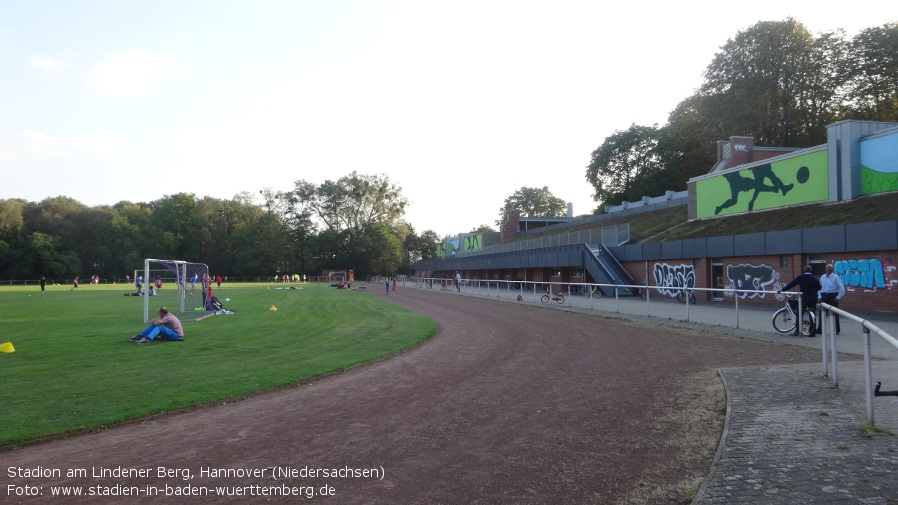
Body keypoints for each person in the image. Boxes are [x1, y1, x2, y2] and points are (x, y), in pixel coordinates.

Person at [778, 266, 822, 337]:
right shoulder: (815, 278)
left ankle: (798, 331)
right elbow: (820, 288)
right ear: (811, 271)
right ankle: (812, 332)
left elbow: (791, 284)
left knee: (800, 313)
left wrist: (782, 290)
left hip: (805, 297)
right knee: (813, 313)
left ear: (804, 270)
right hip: (814, 297)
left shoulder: (801, 277)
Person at [817, 263, 846, 335]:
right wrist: (819, 297)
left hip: (833, 297)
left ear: (832, 269)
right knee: (822, 314)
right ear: (825, 269)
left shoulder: (835, 277)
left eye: (830, 268)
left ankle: (836, 330)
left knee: (835, 314)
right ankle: (820, 329)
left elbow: (841, 288)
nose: (828, 269)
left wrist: (838, 297)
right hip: (824, 296)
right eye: (827, 268)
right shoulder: (822, 277)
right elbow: (819, 288)